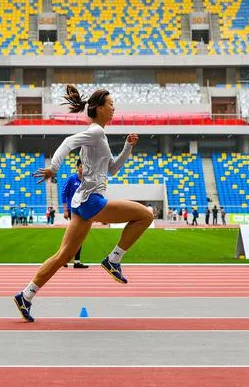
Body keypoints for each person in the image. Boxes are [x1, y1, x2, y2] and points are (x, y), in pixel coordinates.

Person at [14, 84, 150, 322]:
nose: (114, 108)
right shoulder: (96, 132)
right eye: (110, 105)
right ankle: (113, 259)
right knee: (145, 215)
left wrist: (128, 147)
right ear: (98, 108)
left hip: (83, 202)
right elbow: (68, 142)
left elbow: (113, 170)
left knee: (63, 256)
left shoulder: (100, 135)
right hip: (92, 201)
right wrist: (53, 168)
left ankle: (26, 295)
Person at [61, 159, 88, 269]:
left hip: (84, 211)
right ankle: (62, 259)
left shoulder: (87, 181)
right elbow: (64, 193)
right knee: (72, 236)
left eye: (85, 166)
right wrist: (65, 210)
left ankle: (76, 261)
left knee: (80, 236)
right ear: (78, 167)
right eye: (81, 166)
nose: (83, 168)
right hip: (73, 210)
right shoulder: (72, 179)